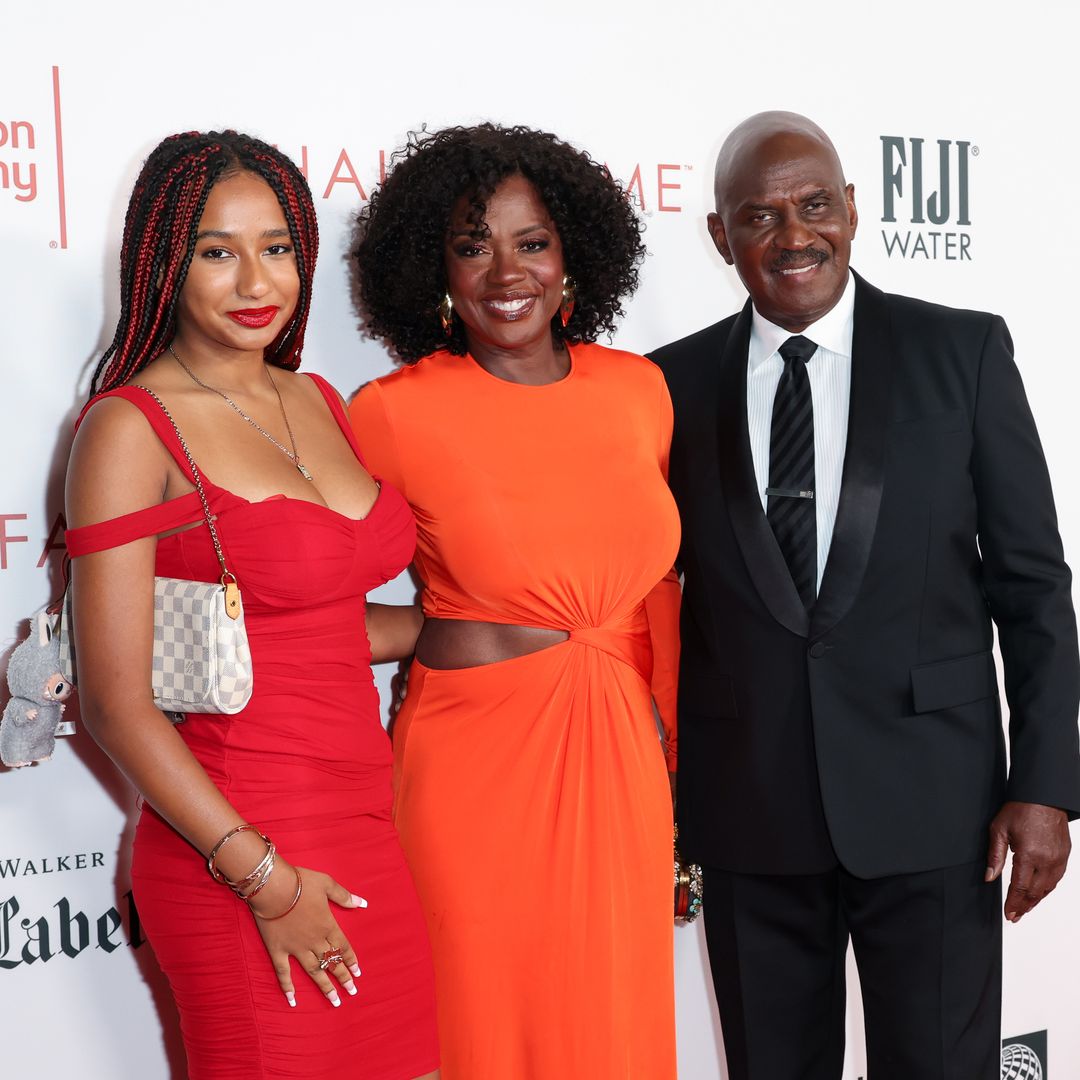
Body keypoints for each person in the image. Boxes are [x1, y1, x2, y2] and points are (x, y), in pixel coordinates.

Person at [649, 109, 1080, 1079]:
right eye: (758, 216)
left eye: (812, 205)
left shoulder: (961, 354)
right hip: (750, 815)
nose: (792, 235)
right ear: (720, 237)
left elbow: (1034, 586)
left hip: (939, 813)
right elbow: (648, 603)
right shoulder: (665, 388)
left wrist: (1046, 785)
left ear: (852, 206)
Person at [65, 130, 439, 1080]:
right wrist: (265, 880)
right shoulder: (127, 428)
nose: (252, 281)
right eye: (216, 251)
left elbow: (306, 628)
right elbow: (115, 703)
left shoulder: (315, 395)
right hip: (236, 850)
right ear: (162, 261)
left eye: (275, 247)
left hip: (367, 833)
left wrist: (456, 630)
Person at [348, 123, 680, 1080]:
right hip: (471, 770)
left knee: (611, 1025)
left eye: (531, 242)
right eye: (472, 244)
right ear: (434, 269)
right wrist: (432, 628)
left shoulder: (639, 392)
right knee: (486, 1025)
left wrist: (677, 759)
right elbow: (307, 584)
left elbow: (655, 592)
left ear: (573, 254)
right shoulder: (394, 412)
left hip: (621, 758)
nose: (506, 271)